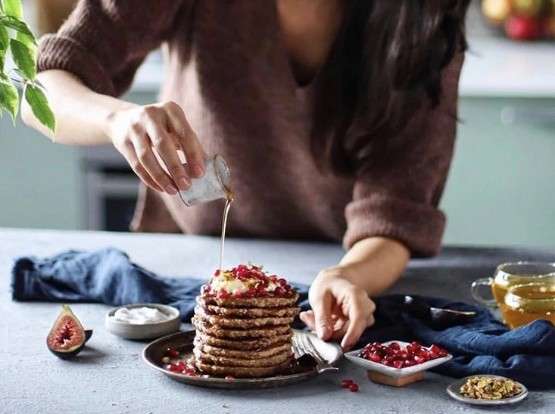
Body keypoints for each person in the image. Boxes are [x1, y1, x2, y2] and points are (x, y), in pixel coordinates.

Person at [24, 0, 470, 350]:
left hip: (335, 272)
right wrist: (116, 120)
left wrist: (348, 276)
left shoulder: (426, 18)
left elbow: (394, 218)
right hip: (183, 260)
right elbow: (39, 89)